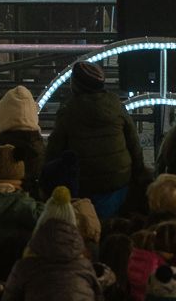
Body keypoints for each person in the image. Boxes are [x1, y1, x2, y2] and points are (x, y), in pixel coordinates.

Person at [45, 61, 146, 218]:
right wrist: (139, 175)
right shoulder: (117, 106)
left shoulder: (68, 112)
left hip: (84, 186)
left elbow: (53, 151)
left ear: (76, 85)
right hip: (119, 182)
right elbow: (134, 144)